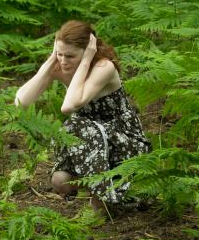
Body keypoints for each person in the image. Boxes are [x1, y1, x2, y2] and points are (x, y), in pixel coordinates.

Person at [15, 20, 150, 214]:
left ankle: (103, 200)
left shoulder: (104, 67)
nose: (63, 61)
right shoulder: (61, 64)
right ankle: (110, 192)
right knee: (60, 181)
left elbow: (70, 106)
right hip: (87, 142)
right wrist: (50, 62)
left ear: (88, 50)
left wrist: (86, 61)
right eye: (59, 54)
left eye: (70, 56)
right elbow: (21, 102)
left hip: (123, 141)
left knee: (82, 125)